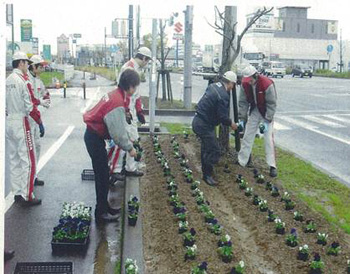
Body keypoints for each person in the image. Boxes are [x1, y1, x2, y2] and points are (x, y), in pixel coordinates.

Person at [83, 69, 139, 223]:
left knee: (104, 174)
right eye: (135, 87)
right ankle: (100, 213)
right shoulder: (117, 101)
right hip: (93, 138)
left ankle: (105, 206)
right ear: (130, 86)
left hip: (95, 137)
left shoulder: (117, 94)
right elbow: (118, 134)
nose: (135, 90)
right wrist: (130, 148)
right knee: (101, 176)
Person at [108, 47, 151, 184]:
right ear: (143, 58)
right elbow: (123, 91)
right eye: (147, 60)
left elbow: (136, 94)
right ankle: (114, 170)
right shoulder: (128, 68)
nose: (147, 63)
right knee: (122, 139)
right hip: (124, 108)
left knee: (133, 138)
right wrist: (126, 110)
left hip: (130, 109)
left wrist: (139, 110)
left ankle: (130, 168)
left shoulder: (136, 68)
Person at [6, 51, 43, 206]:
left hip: (9, 122)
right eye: (26, 63)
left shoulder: (7, 80)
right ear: (20, 63)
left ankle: (17, 192)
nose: (27, 66)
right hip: (22, 121)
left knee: (14, 159)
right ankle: (27, 195)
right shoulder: (23, 81)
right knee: (28, 159)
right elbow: (30, 107)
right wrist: (39, 121)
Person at [192, 71, 238, 186]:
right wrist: (231, 123)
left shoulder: (213, 86)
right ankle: (207, 175)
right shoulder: (223, 96)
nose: (233, 87)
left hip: (199, 120)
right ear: (231, 83)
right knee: (214, 150)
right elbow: (222, 116)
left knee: (206, 148)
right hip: (204, 125)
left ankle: (206, 171)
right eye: (234, 85)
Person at [237, 65, 278, 177]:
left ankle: (272, 165)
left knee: (268, 139)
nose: (248, 82)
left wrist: (267, 121)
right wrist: (242, 119)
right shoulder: (245, 84)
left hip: (265, 111)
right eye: (246, 80)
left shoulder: (267, 84)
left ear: (255, 76)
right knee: (247, 136)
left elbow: (272, 104)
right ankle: (242, 161)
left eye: (250, 80)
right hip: (255, 110)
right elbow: (243, 103)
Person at [28, 54, 51, 186]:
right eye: (40, 66)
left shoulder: (38, 81)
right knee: (28, 152)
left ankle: (34, 175)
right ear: (33, 66)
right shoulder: (27, 81)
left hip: (36, 120)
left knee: (37, 147)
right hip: (28, 120)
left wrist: (45, 101)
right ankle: (29, 178)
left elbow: (45, 95)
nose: (42, 68)